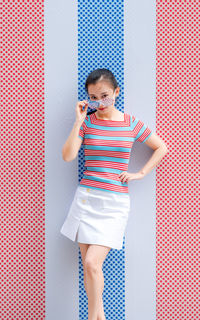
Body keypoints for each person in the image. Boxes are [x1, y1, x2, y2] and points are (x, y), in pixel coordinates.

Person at [60, 68, 168, 320]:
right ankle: (98, 317)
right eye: (93, 97)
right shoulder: (87, 122)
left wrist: (140, 173)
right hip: (86, 199)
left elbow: (161, 147)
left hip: (114, 203)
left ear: (117, 92)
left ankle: (94, 317)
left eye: (105, 96)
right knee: (91, 269)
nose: (99, 103)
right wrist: (78, 121)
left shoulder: (131, 123)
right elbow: (68, 156)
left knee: (92, 264)